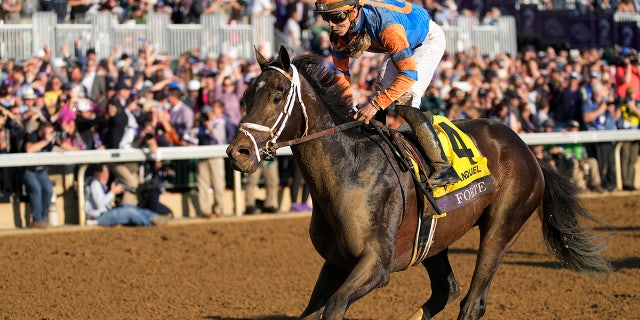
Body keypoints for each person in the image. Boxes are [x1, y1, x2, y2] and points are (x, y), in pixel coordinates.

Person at [315, 0, 459, 187]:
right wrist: (347, 106)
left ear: (353, 12)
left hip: (426, 40)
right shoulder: (338, 33)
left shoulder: (385, 26)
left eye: (336, 17)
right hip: (403, 39)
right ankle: (379, 155)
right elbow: (341, 73)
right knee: (381, 89)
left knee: (405, 99)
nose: (331, 25)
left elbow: (408, 74)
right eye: (326, 18)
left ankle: (443, 166)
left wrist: (374, 105)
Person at [85, 164, 170, 226]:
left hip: (105, 213)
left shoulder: (101, 185)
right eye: (103, 173)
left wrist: (115, 193)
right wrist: (112, 192)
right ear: (96, 173)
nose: (105, 176)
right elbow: (100, 205)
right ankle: (150, 223)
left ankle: (154, 217)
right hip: (98, 218)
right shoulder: (95, 184)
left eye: (107, 173)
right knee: (129, 212)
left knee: (129, 207)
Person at [196, 102, 232, 218]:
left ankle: (218, 208)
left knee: (218, 183)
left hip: (216, 155)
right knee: (202, 184)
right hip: (202, 155)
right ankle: (205, 210)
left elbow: (219, 138)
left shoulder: (219, 122)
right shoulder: (198, 125)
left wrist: (209, 126)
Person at [23, 121, 55, 228]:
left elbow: (63, 144)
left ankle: (43, 218)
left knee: (48, 189)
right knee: (36, 189)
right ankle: (37, 220)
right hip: (29, 170)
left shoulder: (52, 138)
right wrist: (45, 141)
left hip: (41, 170)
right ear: (41, 132)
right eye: (48, 132)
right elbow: (29, 149)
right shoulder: (31, 135)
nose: (50, 135)